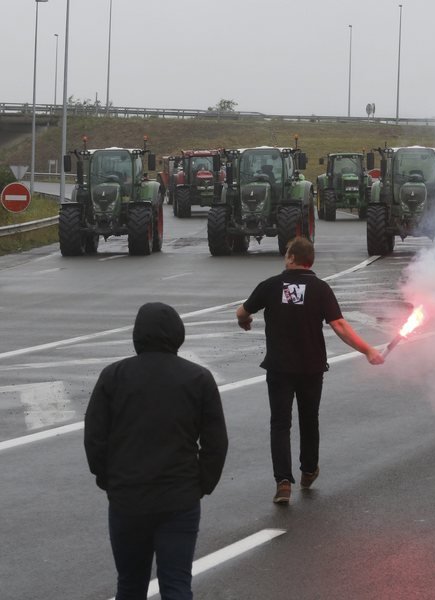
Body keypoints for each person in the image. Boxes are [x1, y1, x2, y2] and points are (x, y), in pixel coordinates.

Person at [85, 302, 228, 600]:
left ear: (137, 334)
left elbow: (95, 437)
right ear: (178, 333)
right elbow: (215, 442)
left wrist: (108, 479)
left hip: (128, 497)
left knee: (130, 583)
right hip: (179, 496)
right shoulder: (198, 378)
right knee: (176, 583)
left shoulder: (113, 376)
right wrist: (201, 484)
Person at [236, 236, 383, 504]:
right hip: (311, 367)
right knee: (308, 418)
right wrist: (368, 350)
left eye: (287, 254)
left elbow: (241, 312)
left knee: (280, 423)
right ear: (310, 261)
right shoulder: (320, 289)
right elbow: (339, 326)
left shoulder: (270, 286)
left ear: (292, 258)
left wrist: (245, 321)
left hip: (279, 368)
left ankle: (282, 482)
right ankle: (308, 470)